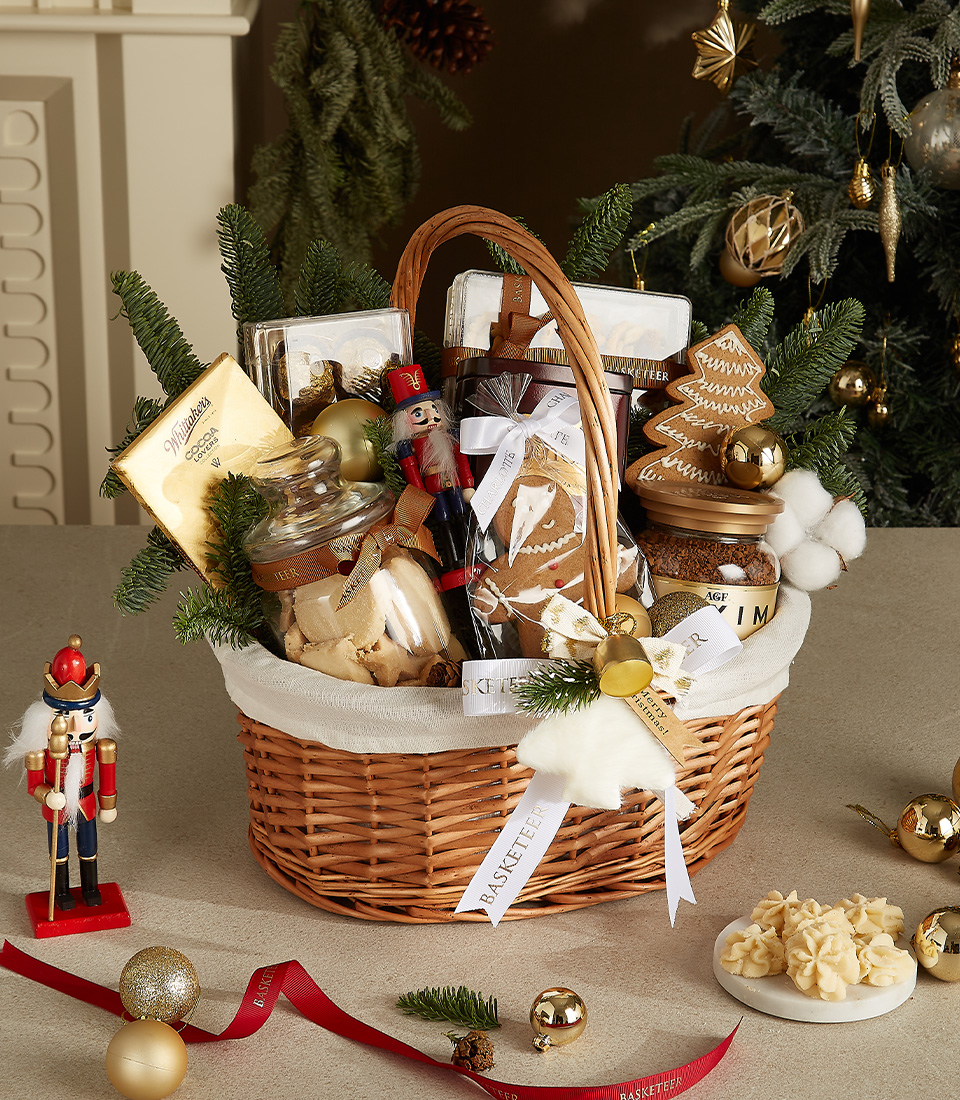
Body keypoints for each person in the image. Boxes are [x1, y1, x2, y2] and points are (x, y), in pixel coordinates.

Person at [5, 635, 118, 911]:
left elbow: (107, 776)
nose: (78, 725)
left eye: (87, 715)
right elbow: (34, 786)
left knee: (89, 848)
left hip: (87, 802)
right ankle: (62, 892)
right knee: (59, 852)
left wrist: (108, 804)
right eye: (65, 716)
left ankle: (91, 887)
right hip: (57, 805)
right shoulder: (40, 753)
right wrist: (47, 796)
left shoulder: (101, 746)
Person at [388, 363, 475, 579]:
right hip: (433, 488)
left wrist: (468, 483)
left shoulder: (449, 436)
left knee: (461, 515)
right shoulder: (410, 446)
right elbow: (412, 472)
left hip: (453, 482)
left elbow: (461, 461)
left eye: (433, 409)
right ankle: (454, 559)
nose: (430, 416)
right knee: (443, 520)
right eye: (418, 413)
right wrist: (419, 495)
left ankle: (472, 553)